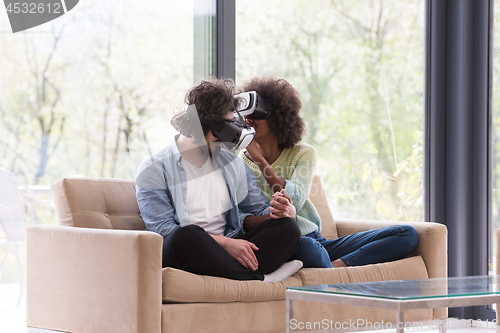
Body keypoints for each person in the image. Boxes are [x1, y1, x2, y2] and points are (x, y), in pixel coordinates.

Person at [239, 76, 419, 268]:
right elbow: (240, 220)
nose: (249, 119)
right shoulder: (239, 164)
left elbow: (296, 199)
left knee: (407, 233)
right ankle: (330, 272)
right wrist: (272, 218)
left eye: (257, 113)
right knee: (306, 247)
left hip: (317, 240)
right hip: (287, 244)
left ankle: (337, 267)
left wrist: (260, 160)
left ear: (277, 116)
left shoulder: (304, 154)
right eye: (245, 113)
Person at [135, 77, 303, 282]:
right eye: (221, 132)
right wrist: (224, 244)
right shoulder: (153, 168)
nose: (225, 142)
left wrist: (282, 213)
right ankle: (260, 278)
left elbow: (259, 211)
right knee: (185, 235)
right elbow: (163, 230)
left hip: (228, 251)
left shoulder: (232, 165)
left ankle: (240, 274)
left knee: (288, 229)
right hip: (188, 251)